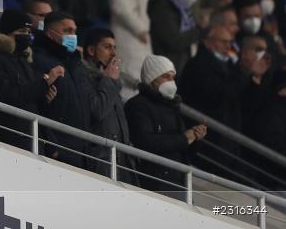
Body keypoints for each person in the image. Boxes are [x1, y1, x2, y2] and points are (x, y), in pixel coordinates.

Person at [0, 9, 63, 151]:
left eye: (28, 31)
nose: (27, 35)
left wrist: (45, 98)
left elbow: (29, 101)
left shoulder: (22, 59)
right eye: (22, 30)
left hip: (32, 139)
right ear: (8, 31)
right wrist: (45, 82)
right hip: (9, 139)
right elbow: (4, 95)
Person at [126, 55, 207, 199]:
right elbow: (145, 142)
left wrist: (195, 139)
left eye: (173, 77)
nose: (171, 82)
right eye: (166, 77)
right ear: (152, 79)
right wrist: (184, 139)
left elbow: (183, 152)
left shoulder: (171, 107)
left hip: (179, 183)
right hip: (154, 185)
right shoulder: (138, 105)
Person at [179, 22, 270, 136]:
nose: (228, 46)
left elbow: (243, 99)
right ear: (208, 42)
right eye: (223, 42)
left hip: (226, 134)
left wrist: (253, 76)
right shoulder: (198, 65)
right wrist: (244, 72)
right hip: (208, 135)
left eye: (230, 42)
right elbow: (223, 93)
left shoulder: (228, 65)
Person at [31, 11, 91, 168]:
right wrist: (53, 148)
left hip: (81, 153)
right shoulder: (39, 60)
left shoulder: (76, 64)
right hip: (56, 153)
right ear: (50, 34)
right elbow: (36, 105)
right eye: (67, 31)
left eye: (74, 31)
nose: (73, 36)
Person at [81, 28, 138, 184]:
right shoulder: (83, 77)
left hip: (122, 165)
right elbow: (97, 111)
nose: (113, 53)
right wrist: (110, 81)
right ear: (91, 50)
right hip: (101, 164)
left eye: (114, 48)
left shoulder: (110, 82)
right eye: (107, 47)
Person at [103, 0, 153, 97]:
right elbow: (119, 5)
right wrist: (138, 29)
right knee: (130, 76)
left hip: (140, 34)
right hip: (128, 33)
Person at [149, 0, 201, 72]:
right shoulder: (164, 9)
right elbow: (174, 41)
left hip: (181, 66)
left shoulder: (184, 8)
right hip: (168, 69)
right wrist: (200, 31)